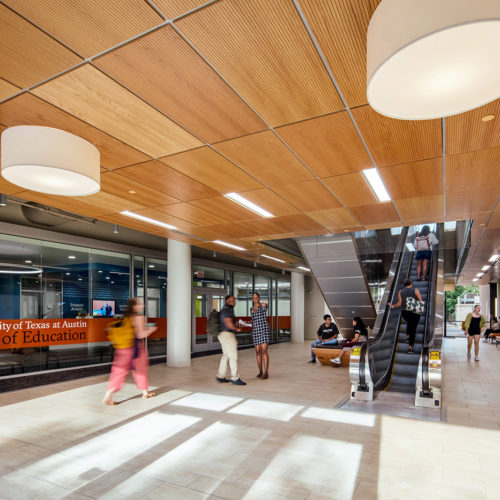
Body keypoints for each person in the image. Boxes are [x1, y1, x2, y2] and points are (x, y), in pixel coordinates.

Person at [103, 298, 157, 405]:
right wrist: (151, 330)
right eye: (140, 303)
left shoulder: (126, 317)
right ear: (134, 306)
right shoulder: (139, 317)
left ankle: (108, 395)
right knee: (141, 370)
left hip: (123, 348)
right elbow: (141, 334)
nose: (143, 305)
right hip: (135, 349)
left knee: (119, 372)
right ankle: (145, 392)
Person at [216, 295, 246, 386]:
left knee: (226, 356)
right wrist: (237, 329)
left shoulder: (226, 310)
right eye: (231, 300)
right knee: (233, 356)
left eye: (234, 300)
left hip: (222, 334)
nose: (233, 301)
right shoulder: (227, 310)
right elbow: (228, 323)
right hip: (227, 335)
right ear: (226, 301)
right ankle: (235, 378)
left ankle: (220, 376)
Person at [388, 279, 423, 353]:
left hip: (405, 312)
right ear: (411, 283)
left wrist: (393, 306)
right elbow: (420, 300)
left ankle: (408, 336)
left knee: (409, 323)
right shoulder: (416, 290)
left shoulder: (400, 291)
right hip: (414, 312)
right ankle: (410, 347)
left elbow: (399, 303)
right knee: (413, 328)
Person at [250, 292, 270, 379]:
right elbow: (253, 320)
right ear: (252, 299)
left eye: (256, 297)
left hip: (264, 330)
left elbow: (266, 306)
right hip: (256, 331)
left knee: (263, 351)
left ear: (259, 298)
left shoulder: (263, 306)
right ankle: (260, 371)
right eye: (253, 298)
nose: (255, 299)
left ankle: (266, 372)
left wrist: (265, 304)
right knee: (257, 351)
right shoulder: (251, 308)